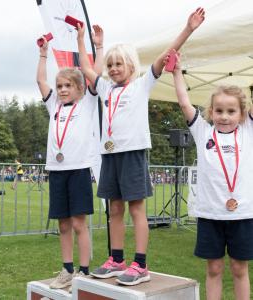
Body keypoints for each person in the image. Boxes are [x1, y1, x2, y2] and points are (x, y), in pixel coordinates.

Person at [77, 8, 205, 286]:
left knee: (136, 209)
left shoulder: (141, 84)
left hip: (133, 153)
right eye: (110, 65)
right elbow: (87, 70)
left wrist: (188, 29)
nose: (112, 69)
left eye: (118, 64)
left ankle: (141, 264)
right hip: (109, 154)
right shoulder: (107, 89)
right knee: (114, 210)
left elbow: (165, 54)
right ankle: (116, 259)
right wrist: (88, 42)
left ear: (132, 67)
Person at [171, 53, 253, 300]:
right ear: (211, 111)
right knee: (214, 267)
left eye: (231, 111)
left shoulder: (248, 130)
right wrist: (176, 73)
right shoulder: (202, 131)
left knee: (240, 268)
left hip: (243, 213)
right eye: (219, 110)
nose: (225, 116)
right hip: (210, 214)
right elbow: (185, 103)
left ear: (242, 113)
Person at [36, 25, 103, 291]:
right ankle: (66, 269)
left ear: (79, 88)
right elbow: (40, 82)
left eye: (68, 86)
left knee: (78, 223)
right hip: (57, 169)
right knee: (63, 224)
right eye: (60, 86)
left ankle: (83, 271)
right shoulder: (54, 105)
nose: (62, 90)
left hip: (78, 169)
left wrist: (89, 43)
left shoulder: (86, 104)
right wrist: (43, 55)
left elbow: (94, 74)